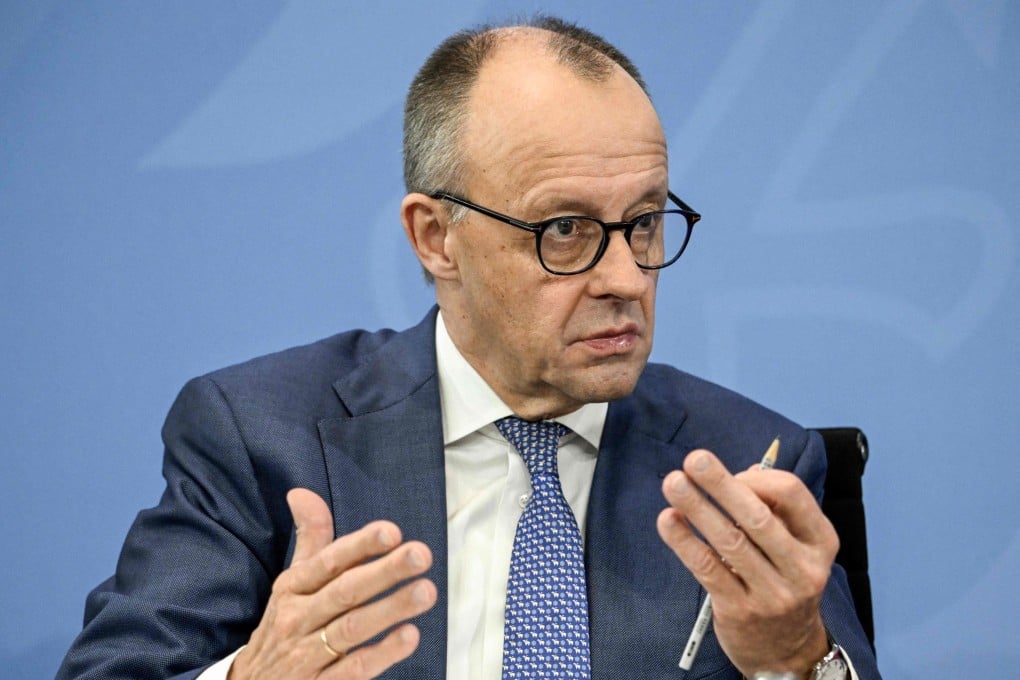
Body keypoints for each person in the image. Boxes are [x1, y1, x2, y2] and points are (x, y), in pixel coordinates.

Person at [58, 16, 881, 680]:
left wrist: (796, 664)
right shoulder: (264, 436)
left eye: (645, 222)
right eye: (565, 230)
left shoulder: (749, 462)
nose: (627, 277)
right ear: (435, 238)